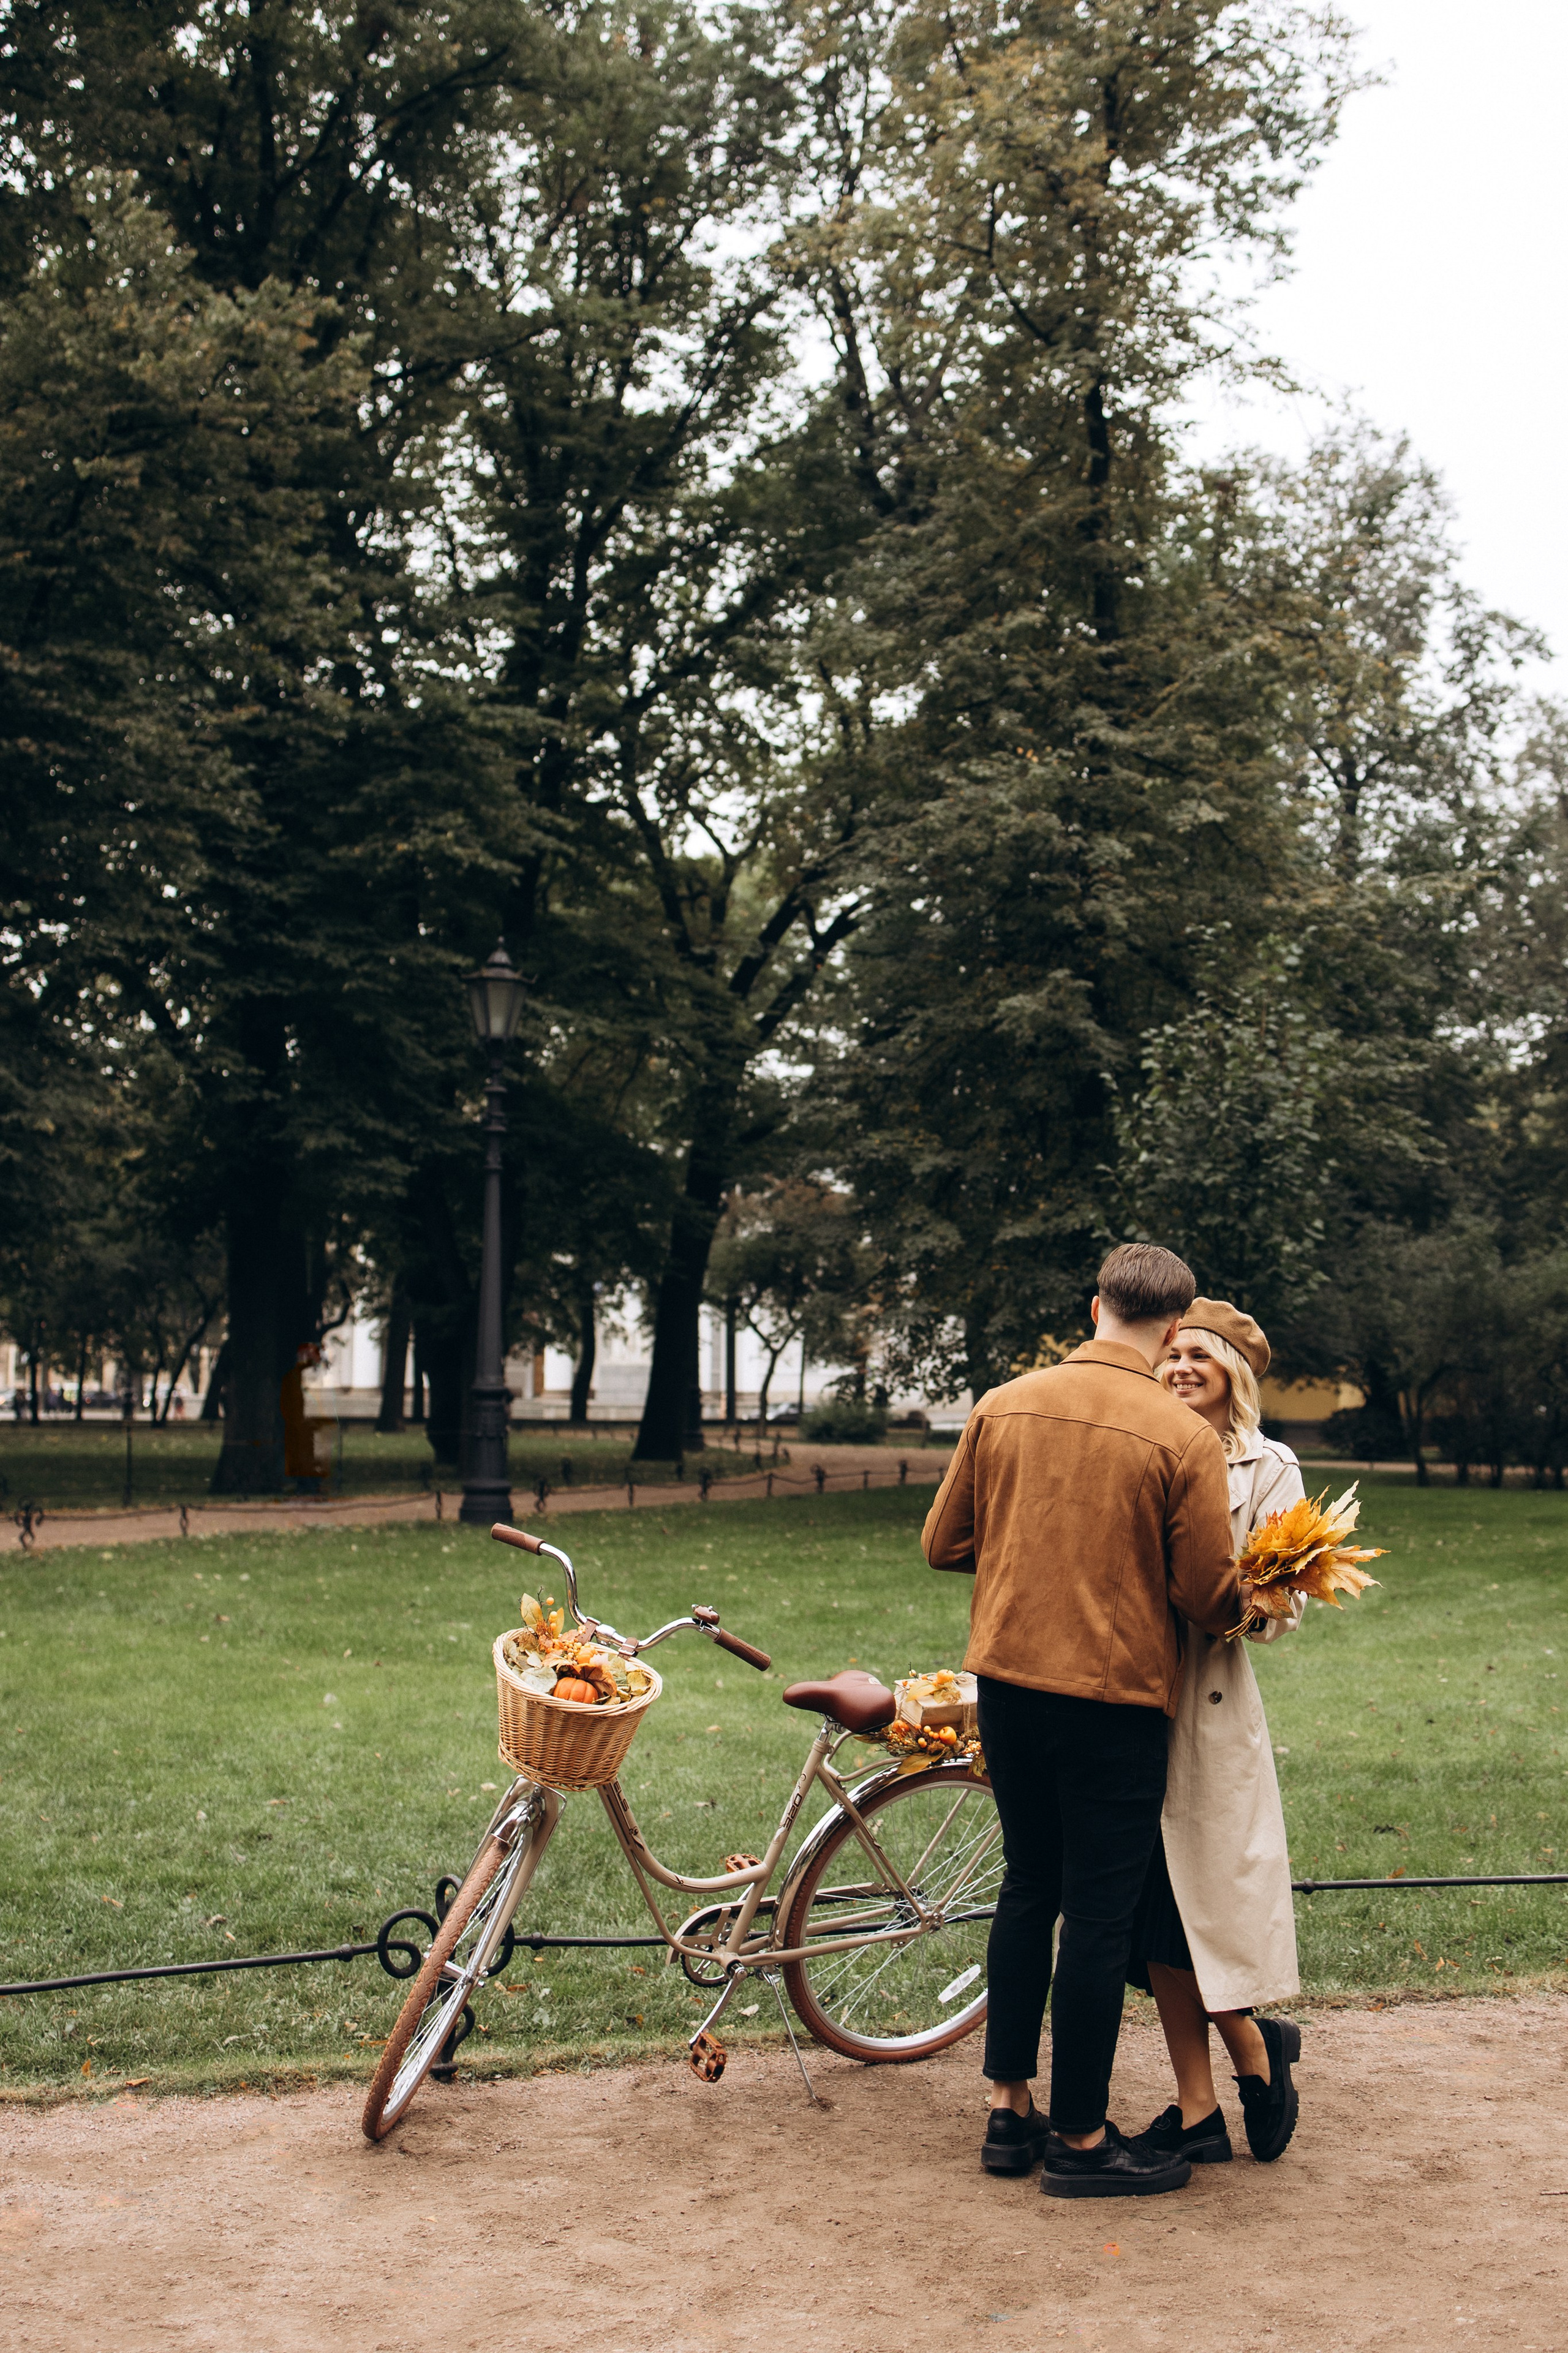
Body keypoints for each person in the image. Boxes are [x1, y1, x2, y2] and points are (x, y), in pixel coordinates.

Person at [922, 1242, 1238, 2199]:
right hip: (1115, 1699)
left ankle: (1009, 2110)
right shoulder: (1181, 1435)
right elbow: (1206, 1596)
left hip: (1010, 1686)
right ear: (1175, 1327)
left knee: (1028, 1887)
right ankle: (1085, 2137)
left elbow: (944, 1543)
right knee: (1099, 1916)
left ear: (1093, 1303)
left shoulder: (1002, 1403)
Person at [1127, 1299, 1304, 2167]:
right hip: (1122, 1694)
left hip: (1206, 1703)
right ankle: (1204, 2102)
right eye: (1173, 1351)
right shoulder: (1137, 1445)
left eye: (1203, 1353)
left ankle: (1250, 2054)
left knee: (1185, 1907)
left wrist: (1240, 1603)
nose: (1183, 1364)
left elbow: (1286, 1604)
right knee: (1146, 1913)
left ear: (1234, 1371)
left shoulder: (1269, 1466)